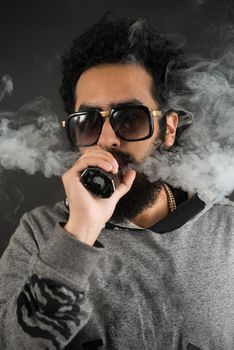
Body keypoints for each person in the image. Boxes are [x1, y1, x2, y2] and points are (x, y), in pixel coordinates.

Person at [0, 15, 233, 350]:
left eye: (130, 118)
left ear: (167, 129)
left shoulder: (227, 233)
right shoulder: (39, 235)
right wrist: (78, 233)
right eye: (88, 122)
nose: (107, 138)